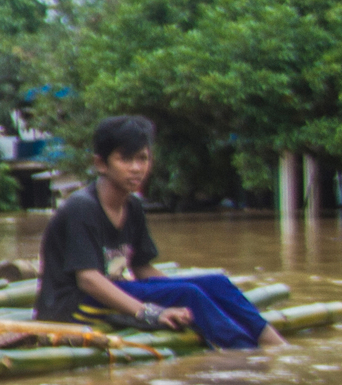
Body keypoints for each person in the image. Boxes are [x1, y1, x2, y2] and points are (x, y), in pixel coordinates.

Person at [34, 115, 284, 349]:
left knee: (216, 283)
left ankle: (275, 345)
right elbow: (88, 280)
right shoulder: (82, 208)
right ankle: (246, 354)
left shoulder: (132, 206)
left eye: (142, 159)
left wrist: (181, 292)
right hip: (73, 307)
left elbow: (142, 268)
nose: (136, 168)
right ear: (101, 164)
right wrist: (154, 311)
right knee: (188, 294)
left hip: (115, 291)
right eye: (125, 159)